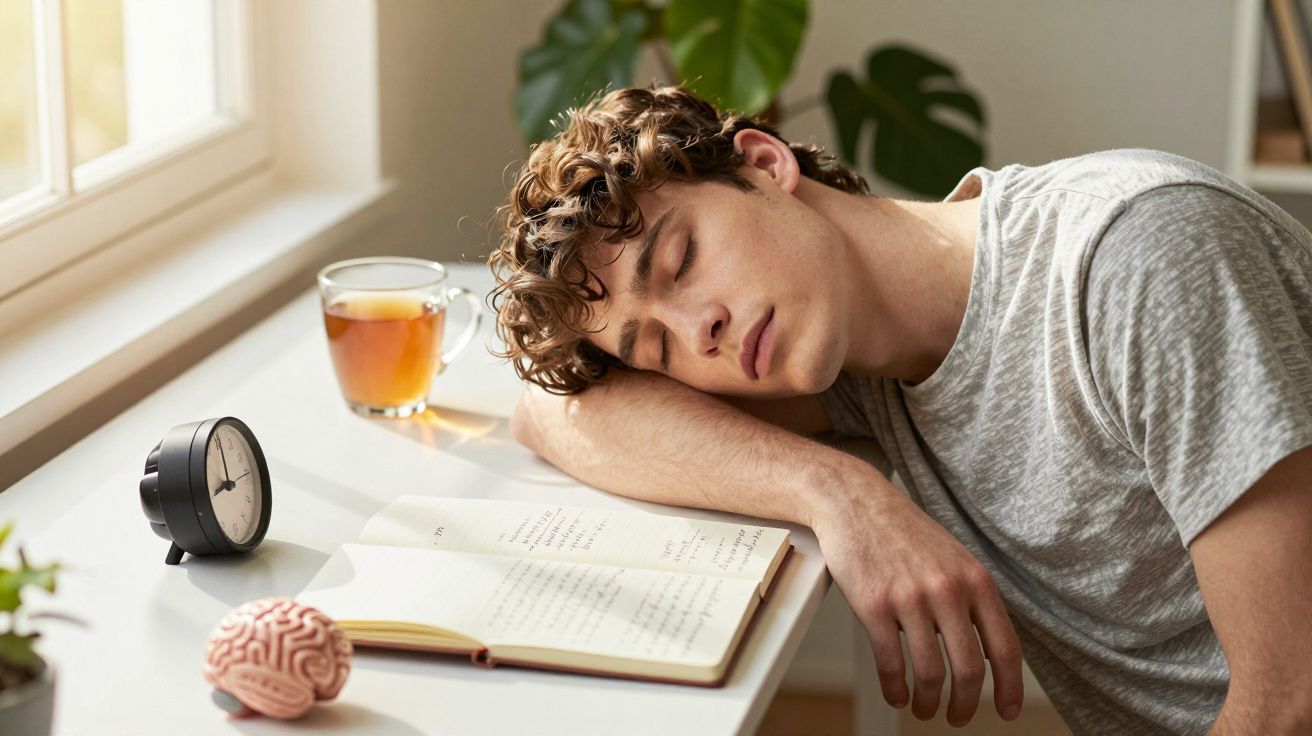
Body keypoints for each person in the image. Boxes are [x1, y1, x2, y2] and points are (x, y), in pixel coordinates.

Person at [488, 85, 1312, 735]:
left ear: (766, 164)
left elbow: (1290, 700)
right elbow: (553, 414)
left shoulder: (1138, 259)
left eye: (681, 259)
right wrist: (838, 492)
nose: (695, 331)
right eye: (655, 347)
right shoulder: (857, 371)